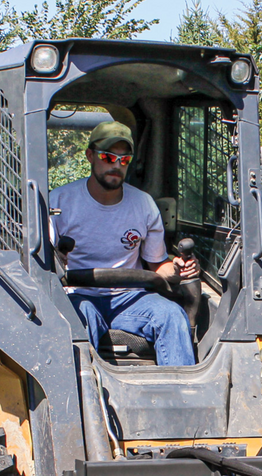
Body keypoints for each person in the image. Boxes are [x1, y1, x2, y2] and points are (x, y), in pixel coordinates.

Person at [49, 121, 199, 366]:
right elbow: (46, 265)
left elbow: (157, 265)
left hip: (131, 298)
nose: (116, 165)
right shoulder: (60, 202)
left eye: (124, 159)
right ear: (90, 155)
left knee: (172, 315)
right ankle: (81, 399)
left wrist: (178, 269)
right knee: (78, 320)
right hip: (80, 295)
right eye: (108, 157)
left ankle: (182, 397)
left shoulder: (143, 203)